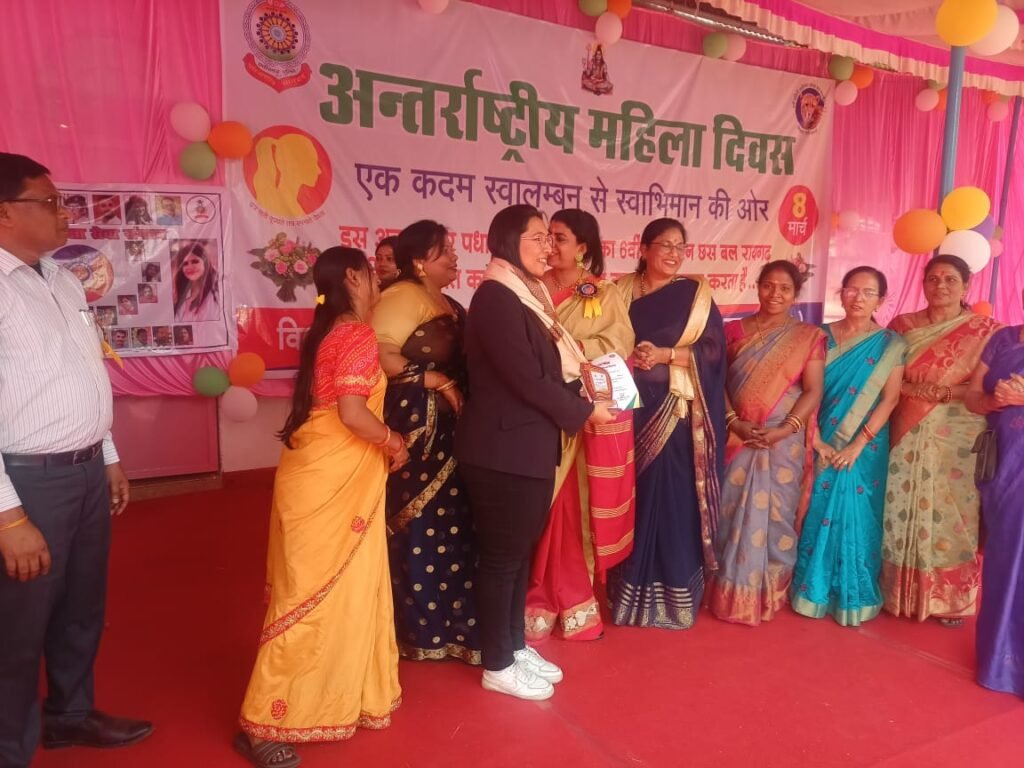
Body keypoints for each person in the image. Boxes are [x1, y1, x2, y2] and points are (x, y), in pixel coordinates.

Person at [0, 152, 150, 767]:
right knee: (17, 623)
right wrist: (8, 516)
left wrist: (106, 454)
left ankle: (69, 715)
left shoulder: (61, 279)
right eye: (50, 202)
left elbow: (83, 372)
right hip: (26, 482)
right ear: (5, 213)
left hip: (86, 471)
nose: (65, 213)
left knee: (81, 605)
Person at [236, 246, 406, 768]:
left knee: (336, 593)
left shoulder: (330, 332)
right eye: (372, 274)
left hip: (323, 475)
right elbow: (353, 414)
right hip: (331, 480)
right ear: (353, 277)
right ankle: (263, 722)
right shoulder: (354, 334)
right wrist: (393, 441)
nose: (378, 283)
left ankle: (335, 698)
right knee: (308, 601)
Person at [456, 204, 615, 701]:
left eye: (550, 238)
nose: (548, 247)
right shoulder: (496, 298)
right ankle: (497, 663)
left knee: (518, 555)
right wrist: (582, 412)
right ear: (509, 241)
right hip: (502, 450)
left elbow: (544, 374)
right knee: (501, 558)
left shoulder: (527, 296)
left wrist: (584, 393)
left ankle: (514, 644)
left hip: (527, 445)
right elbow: (525, 379)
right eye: (538, 237)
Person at [608, 218, 726, 629]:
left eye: (680, 246)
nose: (674, 254)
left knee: (671, 497)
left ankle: (673, 596)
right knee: (631, 498)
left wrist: (665, 355)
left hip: (673, 414)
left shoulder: (695, 295)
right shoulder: (618, 291)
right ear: (643, 249)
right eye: (665, 245)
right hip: (625, 411)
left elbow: (714, 351)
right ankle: (625, 594)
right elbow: (601, 341)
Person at [371, 220, 480, 664]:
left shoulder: (449, 303)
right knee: (419, 526)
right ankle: (419, 630)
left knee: (456, 526)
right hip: (419, 433)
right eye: (444, 251)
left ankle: (454, 624)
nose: (455, 256)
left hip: (456, 434)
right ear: (418, 262)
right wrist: (433, 380)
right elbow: (378, 353)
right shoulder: (400, 297)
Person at [525, 208, 635, 642]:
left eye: (560, 238)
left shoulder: (602, 293)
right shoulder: (529, 287)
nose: (551, 246)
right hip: (533, 413)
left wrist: (564, 352)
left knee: (569, 507)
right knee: (536, 505)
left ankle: (573, 597)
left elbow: (617, 343)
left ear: (583, 247)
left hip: (577, 415)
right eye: (546, 237)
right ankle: (534, 594)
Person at [882, 255, 999, 625]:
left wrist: (944, 393)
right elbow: (884, 375)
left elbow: (989, 386)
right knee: (899, 502)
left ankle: (949, 599)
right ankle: (897, 592)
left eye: (950, 279)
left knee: (954, 510)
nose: (941, 286)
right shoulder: (902, 326)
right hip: (905, 425)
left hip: (959, 432)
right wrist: (914, 389)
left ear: (967, 286)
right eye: (933, 279)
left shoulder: (986, 331)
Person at [709, 260, 825, 626]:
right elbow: (716, 383)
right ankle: (730, 589)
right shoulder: (732, 331)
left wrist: (786, 428)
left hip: (783, 440)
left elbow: (813, 390)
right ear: (757, 287)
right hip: (737, 434)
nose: (775, 294)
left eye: (785, 288)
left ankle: (770, 590)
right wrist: (734, 422)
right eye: (769, 286)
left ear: (795, 295)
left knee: (777, 514)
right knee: (730, 510)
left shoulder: (808, 336)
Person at [791, 268, 905, 626]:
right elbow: (803, 390)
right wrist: (816, 439)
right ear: (841, 294)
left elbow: (890, 399)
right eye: (852, 290)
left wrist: (857, 445)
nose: (858, 298)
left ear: (881, 300)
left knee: (857, 511)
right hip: (819, 435)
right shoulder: (818, 336)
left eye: (868, 292)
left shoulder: (891, 344)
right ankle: (811, 590)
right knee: (816, 506)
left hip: (866, 444)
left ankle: (853, 595)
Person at [965, 316, 1024, 699]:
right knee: (1004, 557)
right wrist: (994, 401)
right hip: (1004, 464)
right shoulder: (1003, 339)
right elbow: (972, 397)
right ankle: (999, 660)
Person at [251, 133, 323, 219]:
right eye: (312, 162)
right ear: (295, 166)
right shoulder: (272, 203)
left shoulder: (289, 204)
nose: (319, 171)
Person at [172, 240, 220, 322]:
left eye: (195, 261)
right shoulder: (179, 297)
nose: (190, 267)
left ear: (205, 262)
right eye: (185, 264)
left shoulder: (218, 291)